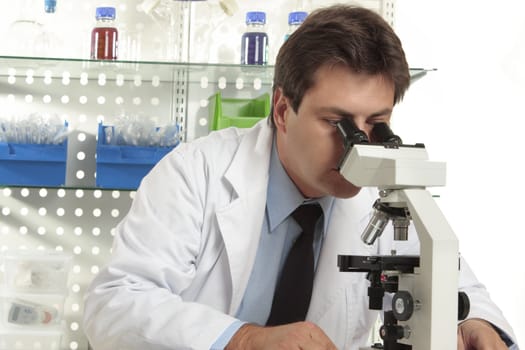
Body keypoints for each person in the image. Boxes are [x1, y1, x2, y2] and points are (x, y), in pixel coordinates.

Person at [83, 4, 519, 350]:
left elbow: (458, 284)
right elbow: (115, 304)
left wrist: (476, 322)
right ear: (282, 110)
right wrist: (243, 340)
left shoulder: (385, 198)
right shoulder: (196, 174)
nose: (358, 146)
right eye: (337, 123)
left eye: (377, 123)